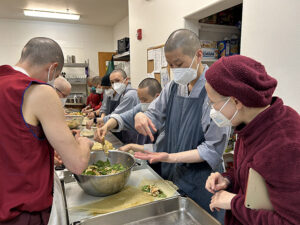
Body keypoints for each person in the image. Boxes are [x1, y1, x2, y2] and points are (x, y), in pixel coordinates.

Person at [133, 29, 230, 222]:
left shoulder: (215, 92)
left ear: (199, 55)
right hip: (174, 175)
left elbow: (212, 149)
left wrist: (170, 157)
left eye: (179, 64)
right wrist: (141, 116)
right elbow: (154, 113)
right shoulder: (174, 86)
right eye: (170, 65)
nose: (175, 70)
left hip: (204, 182)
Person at [0, 37, 92, 225]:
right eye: (56, 75)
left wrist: (45, 152)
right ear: (53, 68)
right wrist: (84, 143)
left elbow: (12, 142)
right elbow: (78, 164)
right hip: (25, 209)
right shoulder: (38, 91)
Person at [204, 55, 300, 225]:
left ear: (235, 101)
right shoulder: (249, 123)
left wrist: (233, 203)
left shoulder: (284, 145)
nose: (212, 110)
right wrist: (228, 179)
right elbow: (253, 173)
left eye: (213, 103)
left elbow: (290, 221)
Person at [95, 78, 162, 151]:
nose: (142, 103)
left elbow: (161, 148)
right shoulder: (141, 107)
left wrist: (131, 146)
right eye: (140, 99)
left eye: (145, 99)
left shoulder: (167, 116)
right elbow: (121, 118)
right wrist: (106, 127)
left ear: (157, 97)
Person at [88, 69, 140, 144]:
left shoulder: (130, 95)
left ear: (126, 80)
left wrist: (96, 120)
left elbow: (117, 116)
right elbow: (106, 109)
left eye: (117, 81)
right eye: (112, 82)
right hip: (124, 131)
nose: (115, 84)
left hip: (132, 134)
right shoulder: (123, 93)